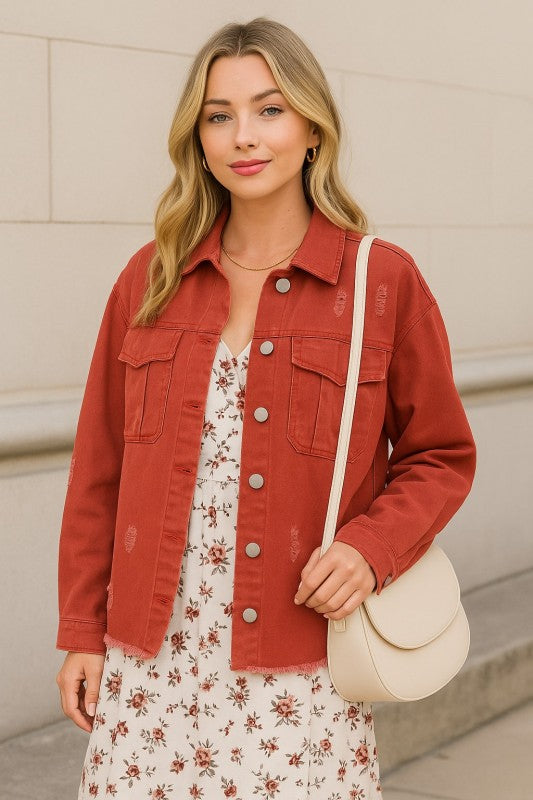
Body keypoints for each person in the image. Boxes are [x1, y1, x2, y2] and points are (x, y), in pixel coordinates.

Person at [55, 16, 476, 799]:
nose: (243, 136)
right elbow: (97, 474)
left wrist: (368, 548)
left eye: (269, 109)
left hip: (298, 669)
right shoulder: (149, 280)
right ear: (198, 137)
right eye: (220, 115)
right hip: (151, 671)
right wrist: (82, 632)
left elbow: (440, 455)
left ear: (312, 127)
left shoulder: (380, 282)